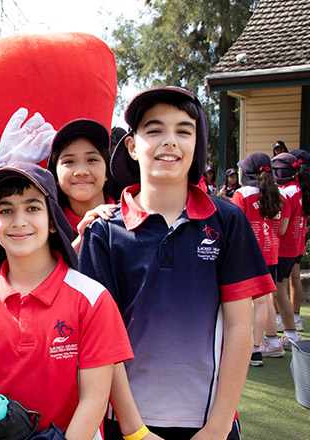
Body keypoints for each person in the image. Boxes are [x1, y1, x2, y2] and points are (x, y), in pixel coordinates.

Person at [80, 86, 275, 439]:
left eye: (183, 130)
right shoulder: (104, 232)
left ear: (196, 144)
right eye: (154, 130)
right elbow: (101, 341)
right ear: (132, 146)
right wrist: (134, 428)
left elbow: (238, 329)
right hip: (126, 424)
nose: (169, 141)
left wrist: (217, 427)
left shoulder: (227, 221)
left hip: (210, 423)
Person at [0, 162, 133, 439]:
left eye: (33, 208)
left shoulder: (93, 298)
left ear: (52, 221)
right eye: (6, 210)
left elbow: (94, 400)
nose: (19, 221)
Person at [231, 152, 287, 365]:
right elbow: (280, 228)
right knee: (264, 301)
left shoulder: (242, 193)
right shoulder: (278, 194)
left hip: (247, 253)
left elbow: (235, 225)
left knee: (243, 303)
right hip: (271, 253)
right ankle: (261, 345)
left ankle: (249, 349)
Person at [47, 118, 117, 252]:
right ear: (54, 176)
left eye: (92, 159)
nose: (81, 172)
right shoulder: (47, 230)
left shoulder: (131, 215)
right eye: (69, 161)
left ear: (107, 171)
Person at [271, 152, 304, 347]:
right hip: (295, 246)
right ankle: (288, 329)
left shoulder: (286, 193)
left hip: (284, 248)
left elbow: (282, 227)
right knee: (280, 289)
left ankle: (291, 333)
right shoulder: (298, 189)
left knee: (278, 292)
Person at [288, 148, 310, 331]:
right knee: (295, 276)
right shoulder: (306, 186)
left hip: (288, 237)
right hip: (301, 234)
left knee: (280, 282)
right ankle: (296, 317)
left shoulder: (292, 189)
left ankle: (283, 318)